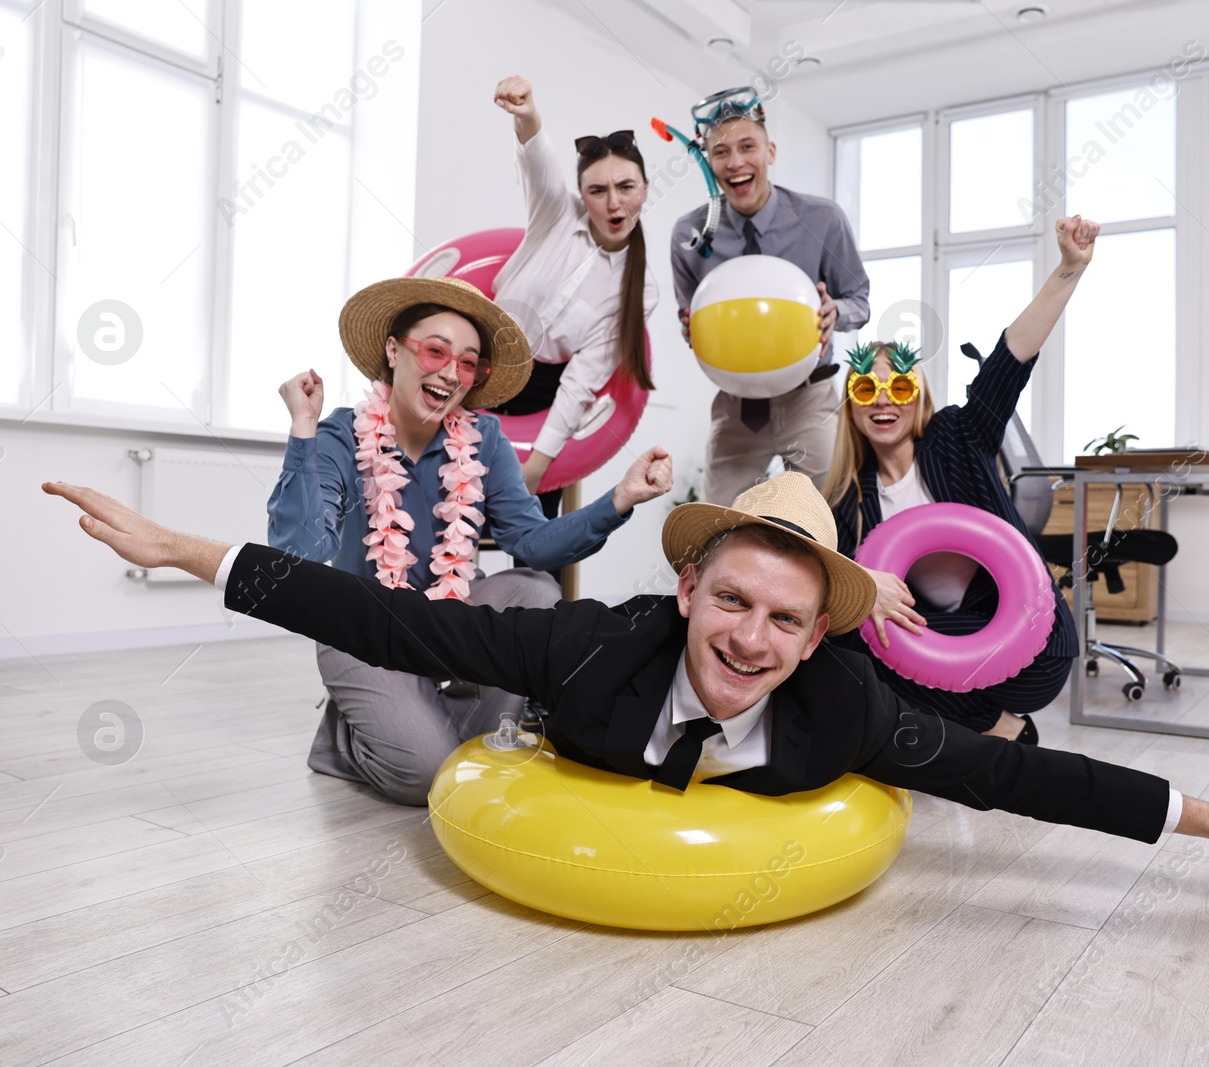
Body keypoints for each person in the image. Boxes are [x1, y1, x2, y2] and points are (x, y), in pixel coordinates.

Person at [46, 471, 1209, 852]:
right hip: (555, 702)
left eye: (786, 620)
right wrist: (187, 548)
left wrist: (1192, 810)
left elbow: (1003, 782)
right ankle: (353, 736)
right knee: (435, 694)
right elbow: (394, 619)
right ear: (689, 587)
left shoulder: (841, 714)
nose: (751, 640)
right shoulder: (594, 638)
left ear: (818, 632)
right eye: (733, 602)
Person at [268, 275, 673, 803]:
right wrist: (303, 427)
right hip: (360, 629)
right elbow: (300, 552)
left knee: (534, 591)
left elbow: (531, 543)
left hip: (451, 618)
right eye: (435, 350)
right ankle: (349, 739)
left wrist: (619, 497)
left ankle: (455, 729)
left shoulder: (484, 440)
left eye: (467, 362)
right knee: (425, 779)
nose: (449, 373)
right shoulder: (341, 435)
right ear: (394, 350)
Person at [824, 215, 1101, 745]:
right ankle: (1003, 732)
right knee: (847, 642)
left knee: (871, 649)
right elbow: (827, 581)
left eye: (899, 388)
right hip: (942, 651)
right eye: (866, 390)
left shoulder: (957, 436)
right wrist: (860, 587)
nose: (884, 399)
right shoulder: (848, 499)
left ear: (918, 396)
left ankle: (982, 723)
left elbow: (1009, 361)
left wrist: (1069, 269)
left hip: (1034, 641)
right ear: (851, 407)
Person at [669, 86, 870, 505]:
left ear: (770, 151)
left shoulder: (823, 218)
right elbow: (693, 326)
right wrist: (693, 329)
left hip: (810, 398)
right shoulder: (689, 235)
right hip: (736, 404)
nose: (736, 162)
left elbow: (859, 300)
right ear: (708, 161)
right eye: (721, 152)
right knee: (716, 525)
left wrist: (837, 310)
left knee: (833, 519)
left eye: (747, 147)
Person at [490, 75, 657, 506]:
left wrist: (538, 467)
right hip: (483, 363)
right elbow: (537, 163)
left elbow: (582, 380)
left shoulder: (641, 291)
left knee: (534, 531)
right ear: (582, 194)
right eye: (597, 191)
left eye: (626, 187)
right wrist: (527, 116)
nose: (613, 204)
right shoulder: (557, 214)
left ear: (645, 189)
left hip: (544, 391)